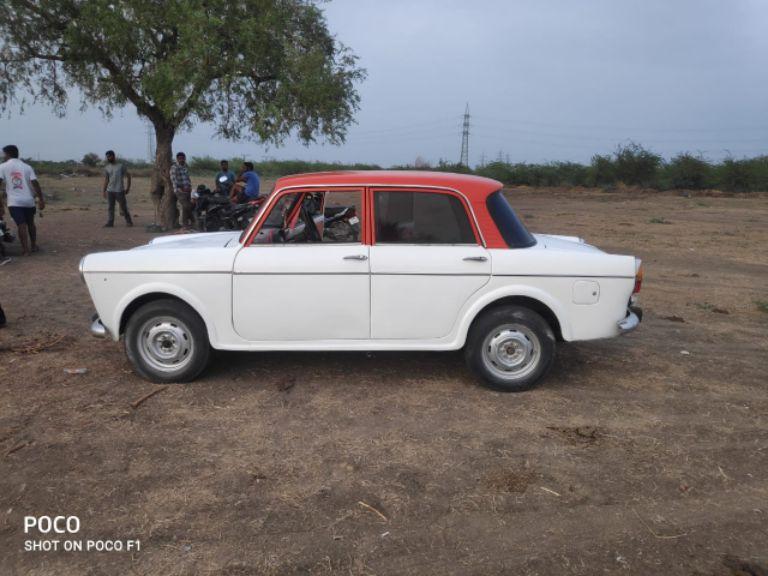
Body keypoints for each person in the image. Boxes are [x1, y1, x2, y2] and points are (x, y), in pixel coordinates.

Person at [0, 144, 45, 255]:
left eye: (3, 154)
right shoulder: (27, 167)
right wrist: (41, 199)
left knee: (21, 224)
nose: (3, 156)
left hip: (14, 202)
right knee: (31, 223)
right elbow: (35, 184)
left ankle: (25, 250)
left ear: (7, 154)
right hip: (29, 201)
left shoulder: (2, 167)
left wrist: (0, 204)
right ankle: (33, 246)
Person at [102, 150, 133, 227]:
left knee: (123, 207)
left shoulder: (121, 166)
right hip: (110, 191)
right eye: (107, 157)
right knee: (110, 207)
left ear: (114, 156)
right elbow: (106, 179)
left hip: (119, 190)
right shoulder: (107, 167)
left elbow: (128, 176)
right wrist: (104, 190)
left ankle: (129, 221)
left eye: (109, 156)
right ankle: (110, 222)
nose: (108, 158)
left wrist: (128, 188)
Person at [170, 152, 193, 228]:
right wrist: (180, 188)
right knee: (185, 206)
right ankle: (185, 223)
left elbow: (187, 178)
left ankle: (185, 223)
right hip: (180, 191)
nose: (182, 160)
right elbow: (174, 180)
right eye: (180, 158)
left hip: (187, 190)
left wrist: (189, 187)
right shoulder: (174, 167)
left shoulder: (185, 166)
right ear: (177, 159)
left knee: (187, 207)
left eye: (183, 158)